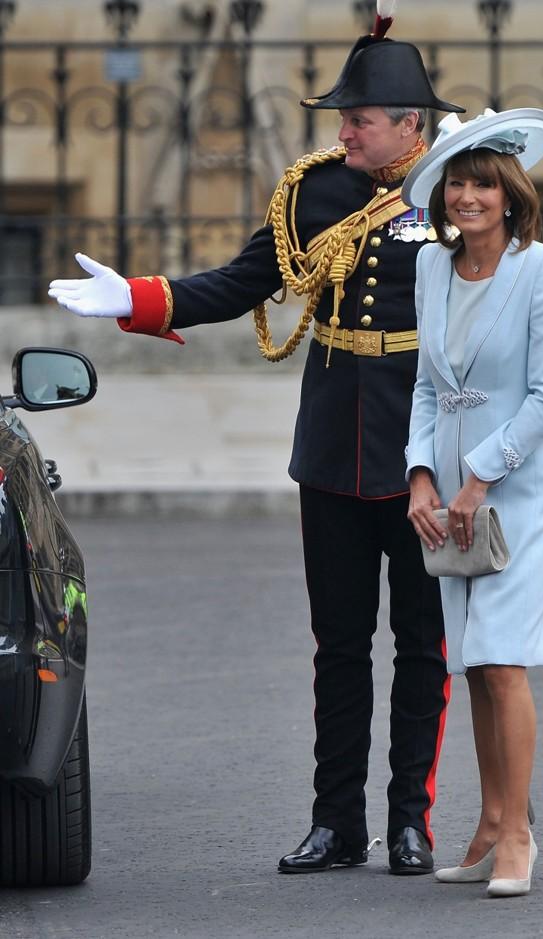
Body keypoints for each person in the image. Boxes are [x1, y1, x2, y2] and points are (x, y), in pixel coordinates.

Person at [48, 7, 466, 876]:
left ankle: (411, 821)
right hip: (332, 443)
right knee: (341, 644)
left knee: (423, 643)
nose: (344, 129)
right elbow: (246, 281)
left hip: (428, 444)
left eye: (361, 118)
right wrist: (138, 298)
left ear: (411, 126)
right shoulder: (313, 189)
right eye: (342, 117)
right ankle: (336, 822)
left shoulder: (458, 188)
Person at [401, 107, 543, 897]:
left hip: (519, 487)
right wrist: (421, 478)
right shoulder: (431, 270)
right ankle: (487, 822)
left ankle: (520, 836)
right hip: (448, 497)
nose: (465, 198)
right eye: (455, 185)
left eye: (481, 185)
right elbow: (425, 388)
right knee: (470, 663)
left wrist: (478, 477)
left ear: (509, 193)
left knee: (502, 658)